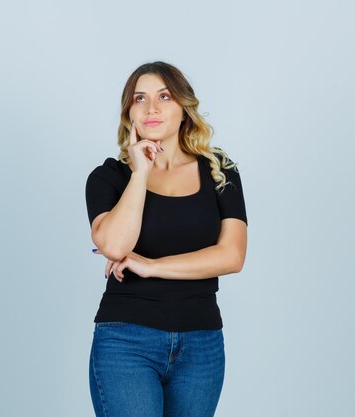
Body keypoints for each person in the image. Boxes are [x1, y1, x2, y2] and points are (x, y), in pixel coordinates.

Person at [85, 61, 248, 417]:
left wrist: (152, 265)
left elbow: (232, 256)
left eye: (164, 96)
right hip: (126, 341)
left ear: (183, 108)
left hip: (201, 344)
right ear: (130, 113)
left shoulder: (220, 171)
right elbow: (114, 245)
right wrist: (140, 172)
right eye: (139, 98)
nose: (152, 108)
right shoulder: (109, 177)